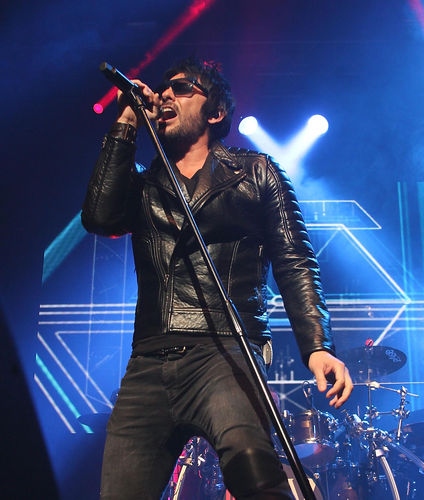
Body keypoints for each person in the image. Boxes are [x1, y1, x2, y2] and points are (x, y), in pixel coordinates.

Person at [82, 57, 353, 500]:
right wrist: (128, 120)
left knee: (257, 478)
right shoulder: (144, 184)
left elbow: (294, 259)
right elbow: (99, 217)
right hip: (148, 360)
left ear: (216, 111)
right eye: (164, 88)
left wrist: (317, 346)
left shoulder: (255, 171)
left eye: (182, 88)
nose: (165, 94)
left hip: (226, 351)